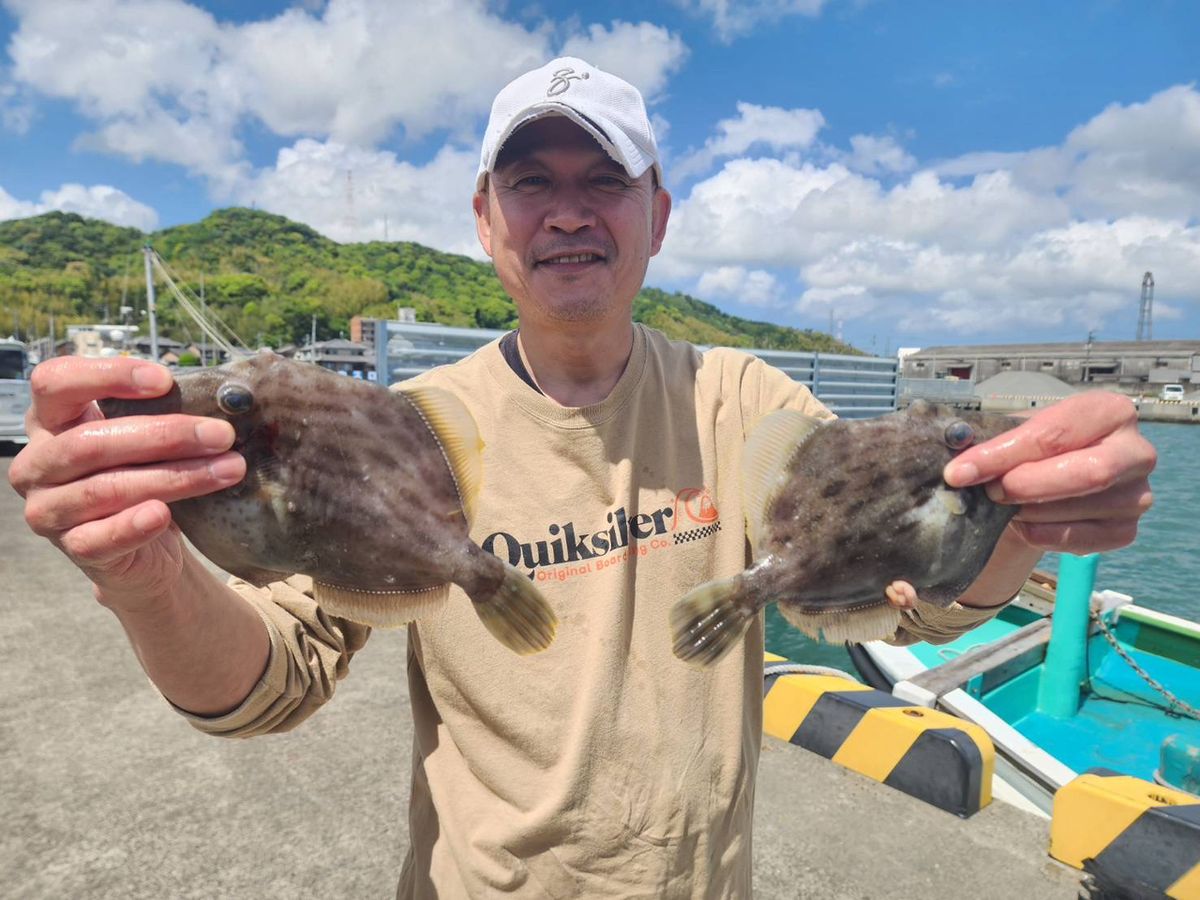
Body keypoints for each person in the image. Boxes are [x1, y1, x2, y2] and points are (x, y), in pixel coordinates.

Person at [9, 57, 1155, 898]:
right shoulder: (406, 428)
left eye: (605, 179)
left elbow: (909, 589)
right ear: (485, 219)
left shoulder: (746, 402)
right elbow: (276, 683)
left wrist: (1022, 518)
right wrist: (146, 570)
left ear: (656, 215)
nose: (567, 209)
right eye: (530, 181)